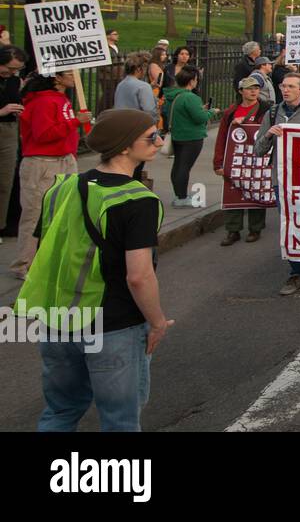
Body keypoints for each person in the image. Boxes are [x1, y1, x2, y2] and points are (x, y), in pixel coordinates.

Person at [16, 109, 170, 431]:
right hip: (112, 324)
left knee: (60, 412)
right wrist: (156, 322)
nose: (159, 141)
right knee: (120, 420)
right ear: (125, 147)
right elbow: (139, 276)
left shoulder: (61, 187)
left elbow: (41, 250)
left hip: (57, 320)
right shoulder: (138, 200)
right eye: (151, 136)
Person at [9, 71, 94, 279]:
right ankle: (24, 264)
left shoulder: (59, 99)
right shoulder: (44, 102)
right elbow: (43, 134)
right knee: (35, 215)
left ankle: (49, 258)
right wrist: (75, 122)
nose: (76, 78)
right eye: (71, 74)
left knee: (61, 213)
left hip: (63, 159)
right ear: (56, 78)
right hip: (43, 163)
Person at [255, 72, 300, 294]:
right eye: (283, 86)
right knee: (290, 224)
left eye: (290, 86)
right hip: (283, 180)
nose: (285, 90)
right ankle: (296, 272)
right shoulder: (273, 112)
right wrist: (269, 134)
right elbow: (258, 149)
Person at [215, 76, 272, 245]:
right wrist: (218, 163)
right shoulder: (231, 112)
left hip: (258, 158)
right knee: (233, 192)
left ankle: (255, 229)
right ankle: (233, 230)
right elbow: (222, 138)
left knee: (257, 191)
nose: (254, 91)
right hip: (236, 159)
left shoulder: (265, 109)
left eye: (256, 88)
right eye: (249, 88)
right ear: (241, 91)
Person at [162, 66, 219, 208]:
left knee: (178, 166)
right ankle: (182, 197)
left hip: (177, 135)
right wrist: (211, 111)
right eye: (196, 79)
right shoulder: (191, 97)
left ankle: (178, 195)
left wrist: (200, 109)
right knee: (184, 167)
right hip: (191, 137)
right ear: (192, 81)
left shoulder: (173, 95)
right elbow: (200, 118)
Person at [0, 46, 27, 247]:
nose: (11, 73)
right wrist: (3, 110)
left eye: (16, 69)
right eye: (9, 68)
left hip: (8, 131)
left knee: (5, 181)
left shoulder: (13, 81)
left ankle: (2, 225)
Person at [114, 51, 159, 123]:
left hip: (120, 124)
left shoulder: (121, 84)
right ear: (138, 69)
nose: (145, 71)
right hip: (137, 126)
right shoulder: (143, 86)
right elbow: (149, 111)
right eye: (145, 68)